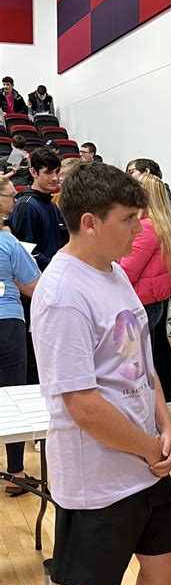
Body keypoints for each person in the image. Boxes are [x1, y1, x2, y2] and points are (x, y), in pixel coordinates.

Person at [30, 162, 171, 585]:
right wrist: (150, 447)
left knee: (165, 560)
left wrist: (164, 427)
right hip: (97, 476)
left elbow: (140, 358)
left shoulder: (114, 272)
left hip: (144, 461)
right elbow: (83, 405)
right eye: (128, 219)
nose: (140, 229)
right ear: (90, 223)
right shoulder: (62, 294)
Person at [120, 173, 171, 416]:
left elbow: (127, 270)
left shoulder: (146, 228)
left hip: (141, 303)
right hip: (154, 302)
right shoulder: (165, 225)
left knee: (136, 367)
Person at [0, 176, 40, 495]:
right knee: (12, 396)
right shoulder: (9, 243)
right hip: (7, 323)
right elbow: (34, 287)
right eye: (11, 196)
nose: (15, 202)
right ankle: (15, 473)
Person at [9, 147, 68, 271]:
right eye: (48, 172)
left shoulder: (51, 205)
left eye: (57, 172)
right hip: (40, 277)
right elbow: (25, 250)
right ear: (34, 172)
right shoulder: (26, 205)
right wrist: (54, 265)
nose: (55, 178)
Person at [127, 158, 171, 235]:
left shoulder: (165, 199)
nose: (128, 177)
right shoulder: (163, 197)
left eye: (131, 172)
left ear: (146, 171)